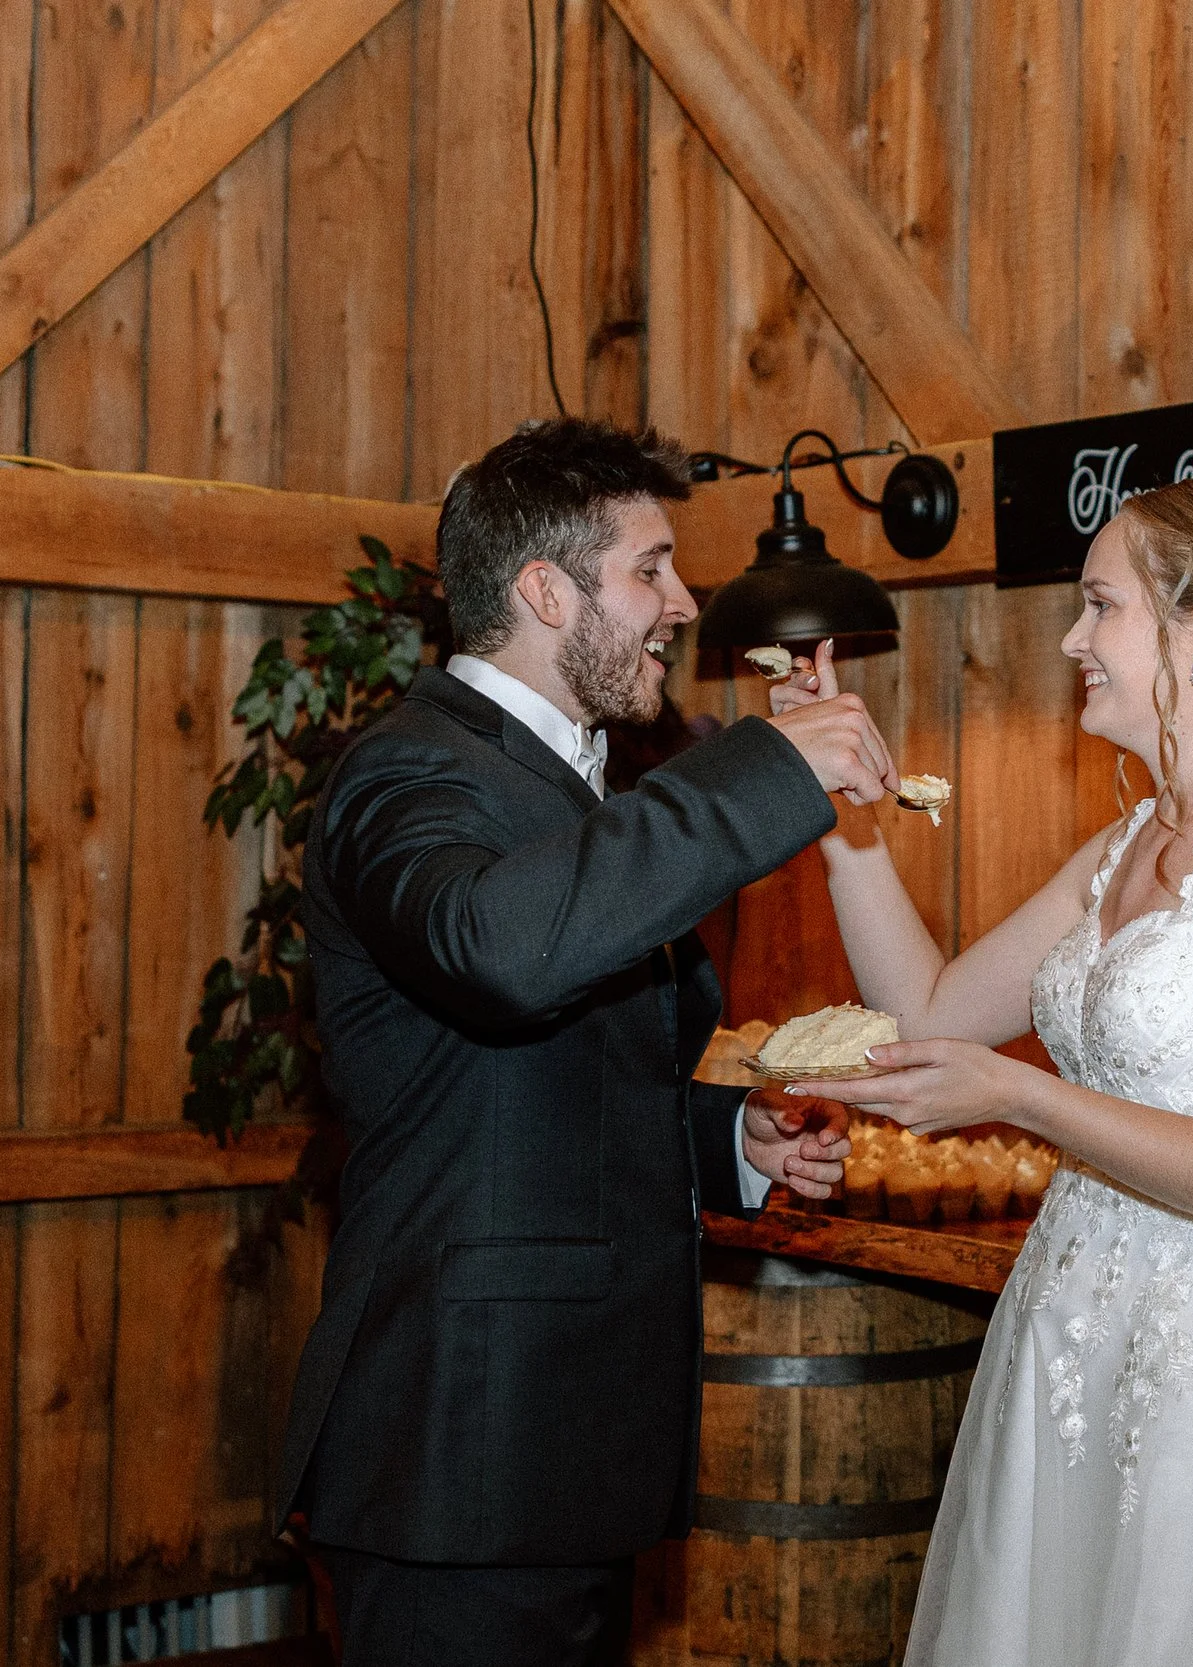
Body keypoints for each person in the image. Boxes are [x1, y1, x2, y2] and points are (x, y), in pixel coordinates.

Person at [778, 474, 1193, 1666]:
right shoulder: (1126, 842)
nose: (1073, 639)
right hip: (1071, 1339)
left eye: (1100, 607)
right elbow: (927, 1005)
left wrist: (1025, 1095)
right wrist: (836, 816)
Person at [274, 418, 885, 1667]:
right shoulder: (405, 774)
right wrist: (762, 768)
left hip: (557, 1447)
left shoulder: (581, 783)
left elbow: (552, 1078)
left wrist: (734, 1144)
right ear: (544, 591)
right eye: (649, 569)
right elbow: (502, 952)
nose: (684, 602)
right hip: (460, 1454)